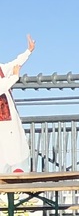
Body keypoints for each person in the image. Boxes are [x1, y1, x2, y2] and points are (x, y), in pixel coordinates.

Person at [0, 34, 35, 175]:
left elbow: (15, 64)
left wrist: (28, 51)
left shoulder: (1, 69)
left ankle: (16, 175)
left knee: (14, 143)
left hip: (8, 115)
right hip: (2, 118)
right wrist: (15, 77)